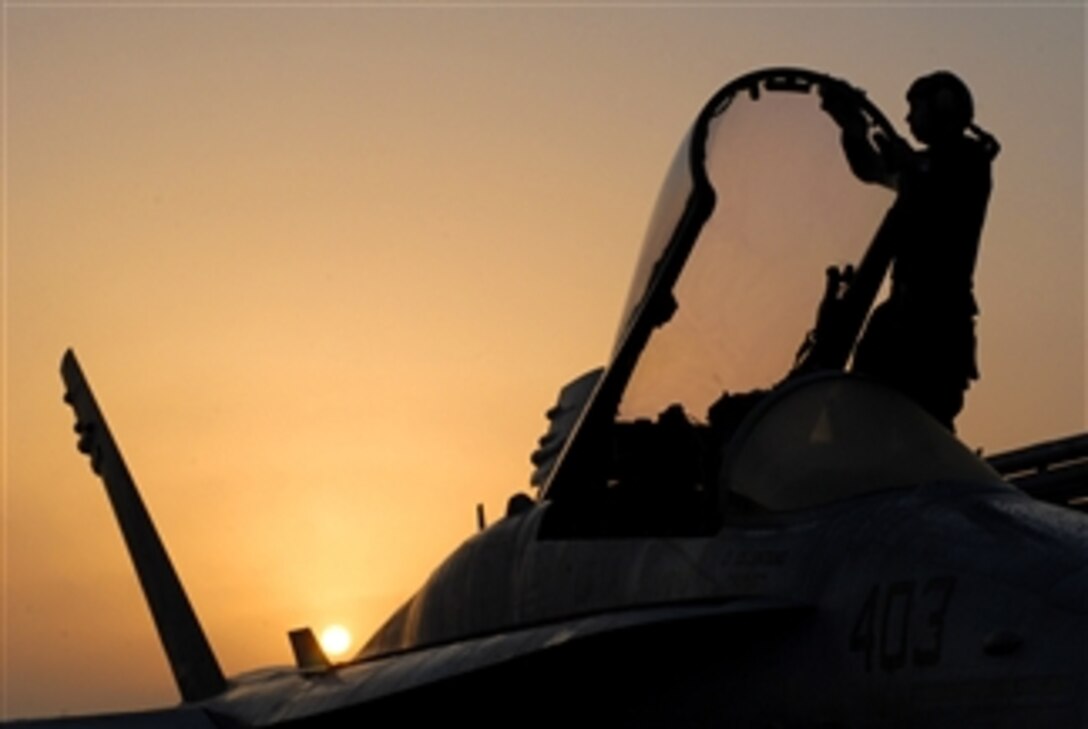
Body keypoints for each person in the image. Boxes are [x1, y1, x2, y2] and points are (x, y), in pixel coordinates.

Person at [821, 71, 1000, 430]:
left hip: (936, 329)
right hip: (904, 320)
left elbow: (924, 175)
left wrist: (902, 158)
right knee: (858, 415)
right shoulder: (925, 169)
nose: (907, 119)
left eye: (915, 109)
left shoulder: (967, 163)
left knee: (921, 429)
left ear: (943, 109)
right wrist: (852, 130)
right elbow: (873, 169)